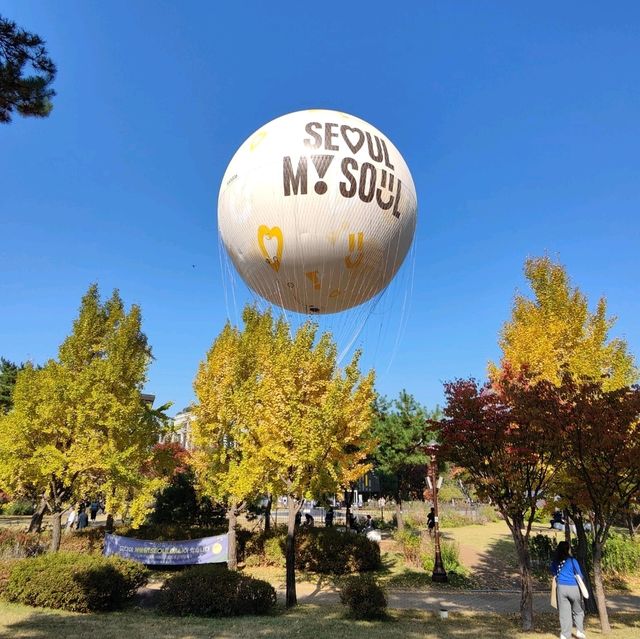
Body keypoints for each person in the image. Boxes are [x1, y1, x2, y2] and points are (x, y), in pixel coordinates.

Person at [550, 541, 587, 639]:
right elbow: (580, 575)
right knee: (578, 611)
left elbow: (553, 573)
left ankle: (565, 635)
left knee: (564, 612)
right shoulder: (572, 560)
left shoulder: (555, 561)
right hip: (573, 587)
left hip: (561, 588)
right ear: (568, 549)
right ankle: (580, 631)